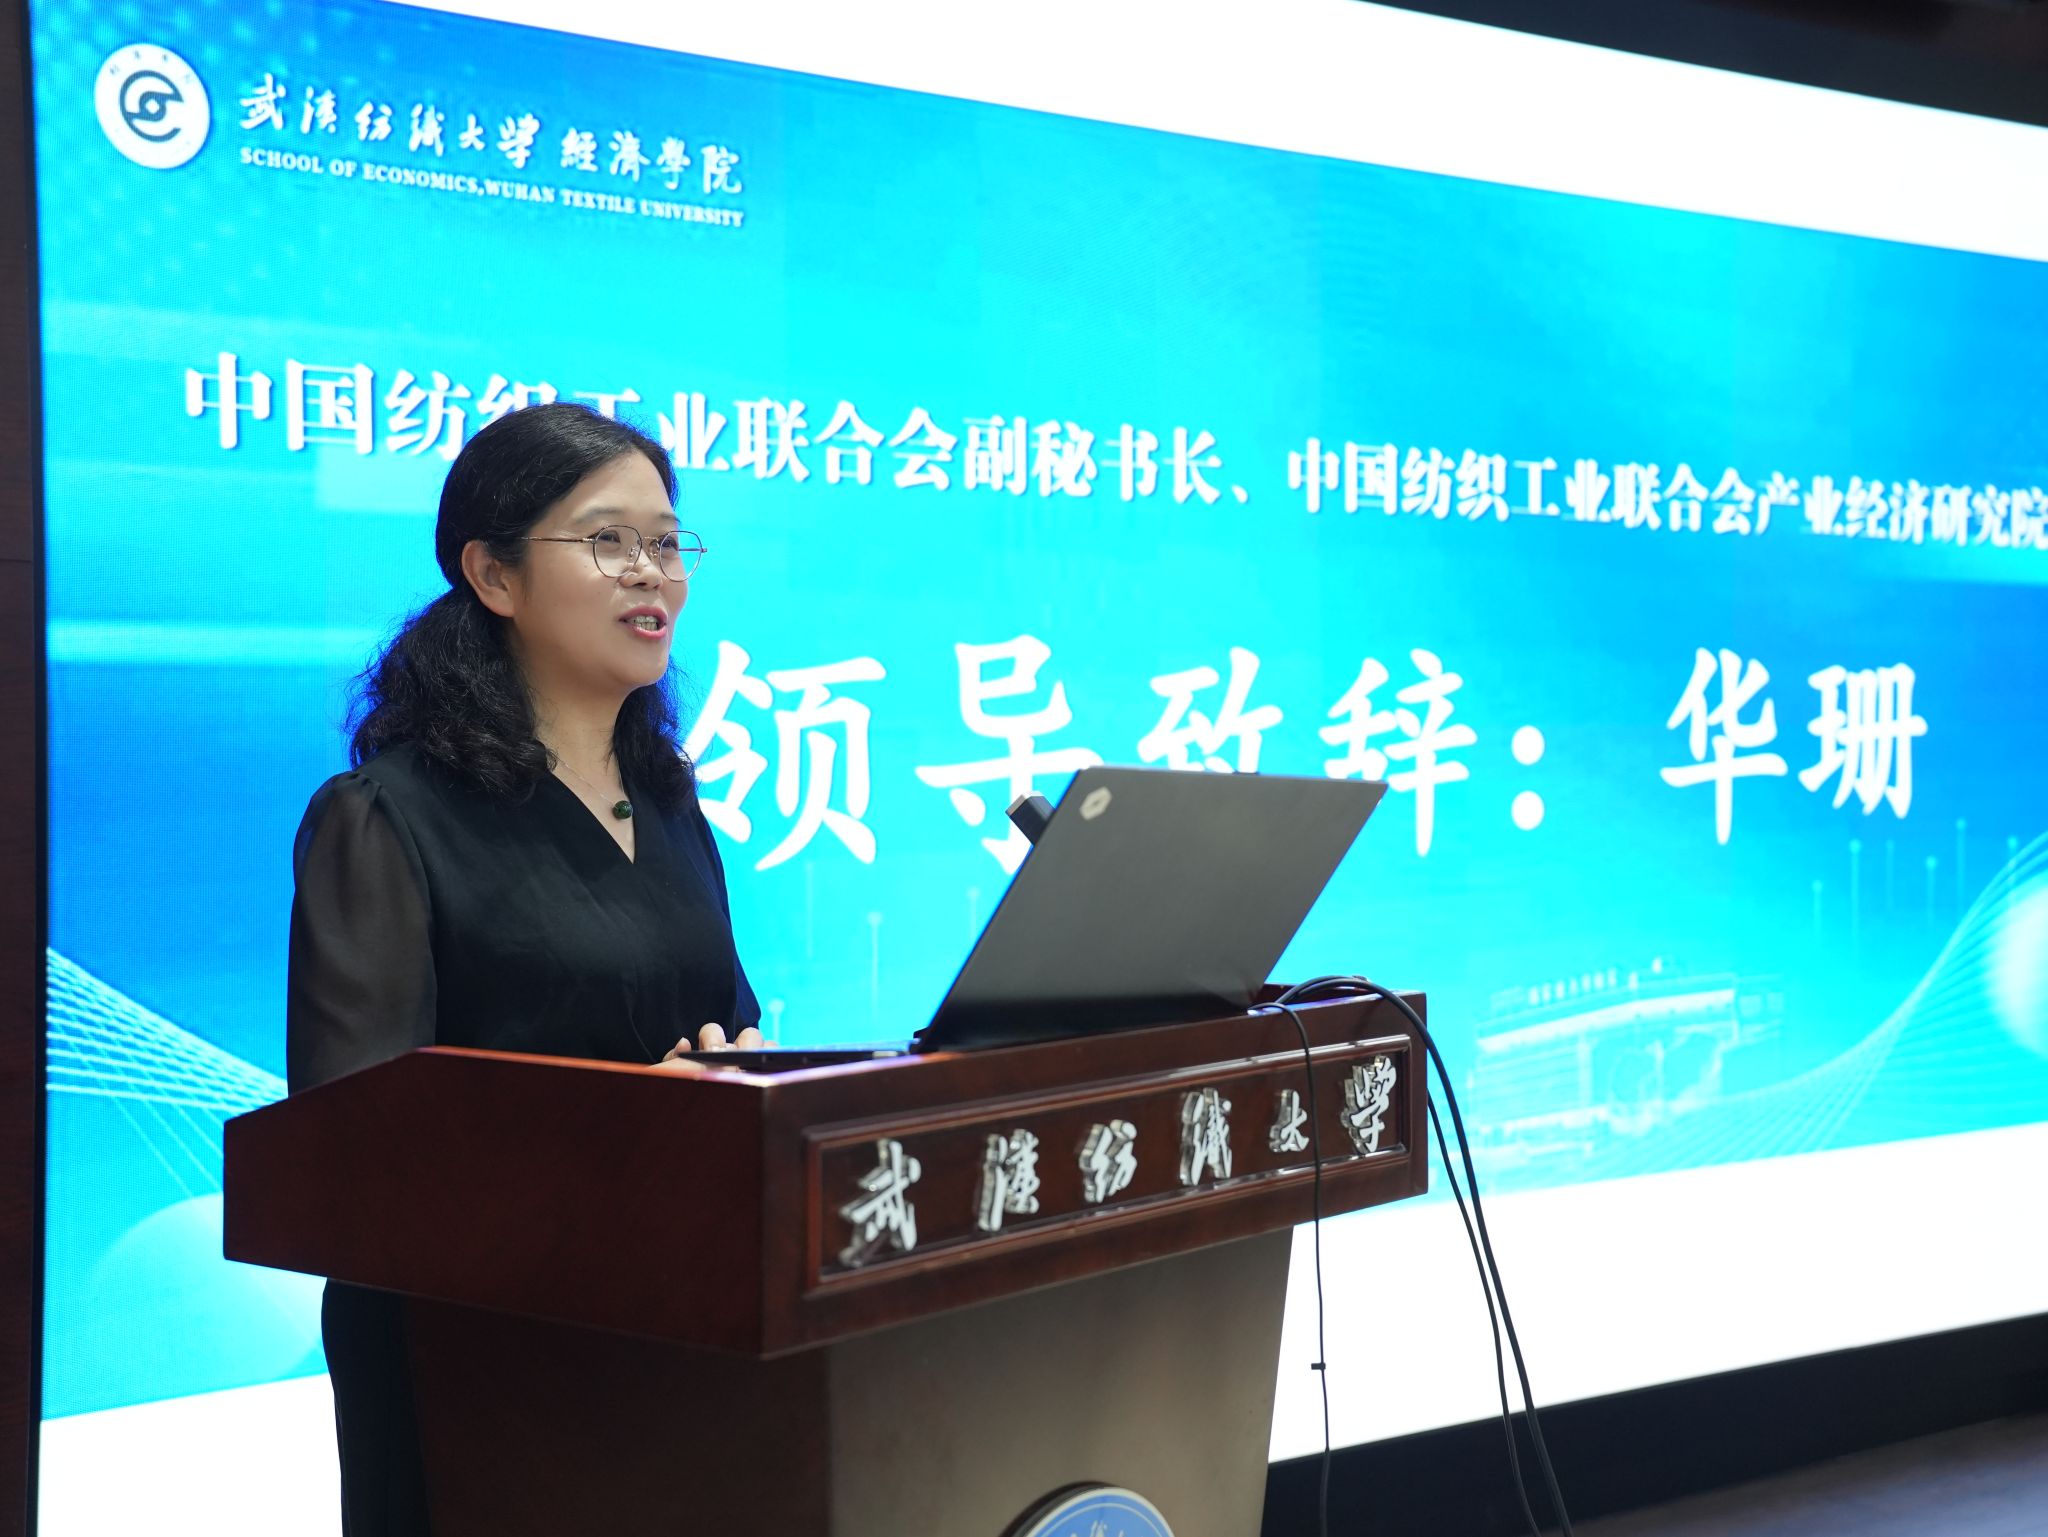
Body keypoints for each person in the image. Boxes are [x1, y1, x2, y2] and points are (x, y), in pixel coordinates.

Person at [286, 401, 762, 1534]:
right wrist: (623, 1124)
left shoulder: (669, 805)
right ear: (493, 575)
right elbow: (354, 1149)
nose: (652, 571)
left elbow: (725, 1034)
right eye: (608, 539)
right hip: (471, 1360)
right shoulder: (387, 817)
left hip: (668, 1321)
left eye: (668, 541)